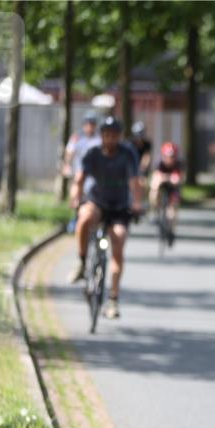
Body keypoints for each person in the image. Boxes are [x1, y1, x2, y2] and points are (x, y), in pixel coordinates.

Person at [68, 116, 143, 319]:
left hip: (119, 205)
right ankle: (83, 261)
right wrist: (75, 198)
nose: (110, 139)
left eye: (114, 136)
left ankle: (112, 299)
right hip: (97, 200)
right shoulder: (92, 153)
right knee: (84, 218)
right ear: (101, 136)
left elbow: (135, 182)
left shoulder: (128, 154)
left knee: (118, 242)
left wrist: (137, 203)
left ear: (119, 137)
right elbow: (79, 179)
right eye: (106, 135)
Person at [150, 142, 183, 246]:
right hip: (162, 187)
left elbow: (178, 179)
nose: (169, 159)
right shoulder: (159, 163)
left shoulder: (178, 164)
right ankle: (154, 211)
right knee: (154, 189)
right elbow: (156, 176)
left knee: (172, 212)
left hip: (173, 189)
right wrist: (163, 179)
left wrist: (171, 179)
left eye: (172, 156)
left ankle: (171, 231)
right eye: (167, 156)